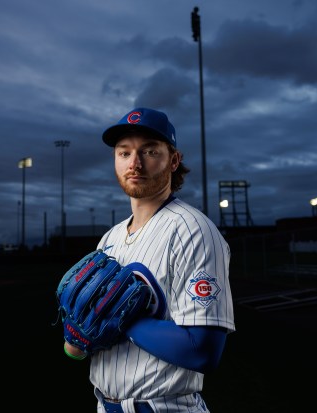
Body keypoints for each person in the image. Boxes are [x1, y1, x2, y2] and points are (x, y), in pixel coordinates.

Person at [74, 107, 236, 413]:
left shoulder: (193, 230)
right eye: (124, 153)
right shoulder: (109, 239)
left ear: (173, 160)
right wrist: (78, 336)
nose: (134, 163)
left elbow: (201, 351)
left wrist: (121, 316)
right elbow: (84, 345)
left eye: (149, 151)